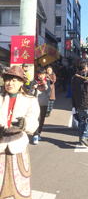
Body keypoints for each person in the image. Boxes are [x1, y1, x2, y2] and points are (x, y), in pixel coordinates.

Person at [0, 65, 40, 198]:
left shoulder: (30, 100)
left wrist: (25, 123)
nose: (10, 83)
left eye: (14, 80)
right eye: (7, 80)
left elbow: (34, 122)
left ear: (22, 82)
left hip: (18, 145)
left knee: (19, 181)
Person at [30, 67, 51, 144]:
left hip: (44, 103)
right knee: (36, 119)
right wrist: (33, 88)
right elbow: (30, 94)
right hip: (35, 104)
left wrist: (45, 85)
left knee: (41, 120)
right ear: (37, 74)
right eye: (40, 74)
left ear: (45, 74)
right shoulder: (34, 81)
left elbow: (49, 93)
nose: (41, 76)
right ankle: (35, 135)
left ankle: (39, 133)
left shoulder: (47, 81)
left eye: (43, 74)